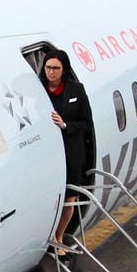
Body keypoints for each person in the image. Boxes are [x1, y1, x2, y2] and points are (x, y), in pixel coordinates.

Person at [41, 49, 95, 255]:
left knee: (69, 199)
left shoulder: (76, 90)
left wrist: (65, 126)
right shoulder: (39, 91)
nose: (51, 72)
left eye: (55, 68)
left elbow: (86, 123)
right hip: (48, 156)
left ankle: (59, 236)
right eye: (48, 68)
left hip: (71, 153)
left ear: (64, 70)